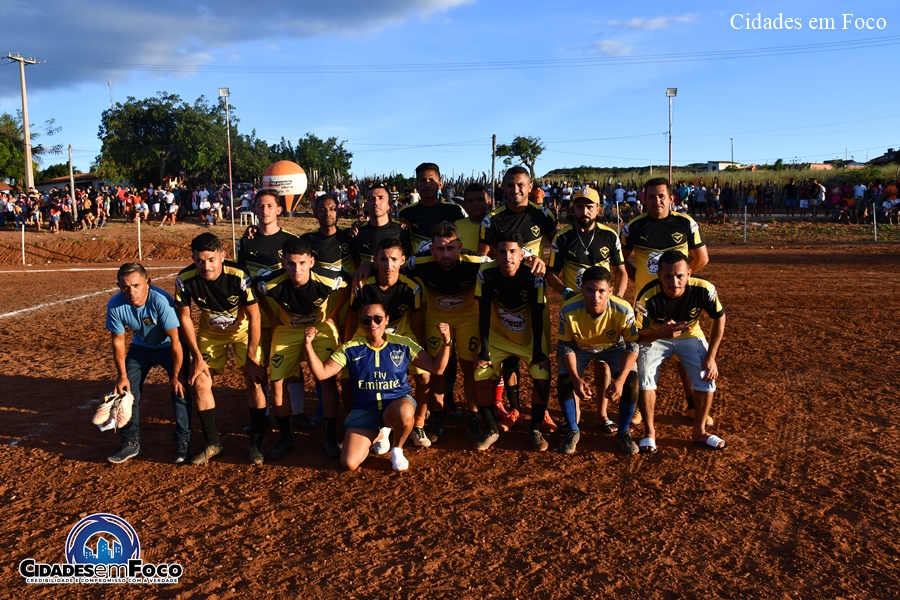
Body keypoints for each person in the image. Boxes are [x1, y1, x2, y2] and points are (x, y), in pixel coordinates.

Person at [304, 303, 452, 472]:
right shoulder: (351, 348)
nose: (372, 324)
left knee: (405, 411)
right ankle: (379, 433)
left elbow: (437, 368)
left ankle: (397, 449)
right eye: (366, 320)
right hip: (365, 410)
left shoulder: (403, 344)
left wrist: (447, 342)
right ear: (361, 323)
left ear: (386, 320)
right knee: (349, 463)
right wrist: (308, 345)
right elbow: (322, 373)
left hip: (394, 405)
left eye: (378, 318)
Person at [621, 177, 710, 423]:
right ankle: (639, 408)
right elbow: (619, 261)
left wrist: (680, 282)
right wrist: (640, 279)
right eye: (651, 196)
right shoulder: (634, 227)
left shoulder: (686, 223)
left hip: (680, 300)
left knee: (685, 352)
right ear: (644, 199)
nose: (657, 200)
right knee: (642, 352)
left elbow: (701, 258)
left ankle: (693, 404)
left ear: (671, 198)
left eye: (661, 196)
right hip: (647, 304)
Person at [175, 233, 267, 465]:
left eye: (211, 260)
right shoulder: (184, 279)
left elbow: (255, 316)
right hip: (210, 335)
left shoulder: (238, 275)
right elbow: (185, 319)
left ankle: (256, 443)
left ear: (222, 256)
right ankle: (213, 443)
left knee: (254, 380)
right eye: (200, 261)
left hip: (242, 332)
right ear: (193, 259)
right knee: (200, 382)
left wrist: (251, 356)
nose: (206, 267)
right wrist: (197, 357)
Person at [257, 237, 348, 459]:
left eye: (302, 263)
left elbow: (349, 284)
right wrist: (272, 317)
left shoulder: (328, 279)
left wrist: (333, 314)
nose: (296, 269)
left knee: (327, 379)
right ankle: (286, 437)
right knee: (277, 383)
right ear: (283, 263)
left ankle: (330, 435)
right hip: (287, 330)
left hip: (320, 327)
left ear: (311, 262)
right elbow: (256, 290)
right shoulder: (270, 283)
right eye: (290, 263)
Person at [634, 250, 727, 453]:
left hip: (690, 334)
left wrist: (711, 357)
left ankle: (699, 432)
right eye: (668, 276)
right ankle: (649, 433)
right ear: (659, 275)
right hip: (655, 336)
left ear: (689, 273)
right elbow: (637, 335)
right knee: (644, 377)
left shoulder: (704, 289)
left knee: (706, 376)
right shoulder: (646, 297)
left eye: (679, 276)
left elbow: (719, 318)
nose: (674, 282)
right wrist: (661, 332)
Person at [405, 221, 485, 443]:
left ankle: (473, 417)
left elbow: (508, 263)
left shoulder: (478, 262)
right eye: (440, 249)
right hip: (436, 318)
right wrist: (366, 268)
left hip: (468, 317)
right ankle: (437, 417)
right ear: (432, 249)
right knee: (437, 370)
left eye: (450, 248)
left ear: (460, 247)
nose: (446, 254)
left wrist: (532, 260)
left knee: (469, 368)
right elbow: (389, 269)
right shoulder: (418, 262)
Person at [104, 263, 191, 463]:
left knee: (180, 389)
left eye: (136, 285)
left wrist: (177, 374)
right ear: (118, 286)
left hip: (169, 346)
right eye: (125, 287)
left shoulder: (161, 301)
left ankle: (184, 441)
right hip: (141, 347)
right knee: (126, 392)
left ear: (148, 282)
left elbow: (176, 340)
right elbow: (118, 341)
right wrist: (122, 376)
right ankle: (130, 442)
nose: (131, 292)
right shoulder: (115, 305)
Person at [472, 233, 551, 452]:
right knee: (480, 374)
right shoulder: (486, 273)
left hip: (529, 337)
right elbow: (483, 313)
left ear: (522, 254)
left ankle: (535, 429)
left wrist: (538, 352)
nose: (508, 257)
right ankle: (491, 429)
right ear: (495, 254)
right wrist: (484, 351)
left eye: (513, 252)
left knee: (542, 375)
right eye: (502, 252)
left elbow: (537, 313)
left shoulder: (533, 274)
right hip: (498, 336)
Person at [557, 266, 640, 454]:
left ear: (610, 291)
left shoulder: (623, 309)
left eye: (601, 291)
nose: (596, 296)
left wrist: (620, 381)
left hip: (613, 347)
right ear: (582, 289)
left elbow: (632, 345)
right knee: (565, 380)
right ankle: (572, 430)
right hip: (579, 347)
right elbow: (565, 346)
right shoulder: (569, 309)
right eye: (590, 290)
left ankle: (624, 432)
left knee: (631, 381)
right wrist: (576, 379)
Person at [547, 188, 627, 302]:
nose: (585, 212)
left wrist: (618, 297)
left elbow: (620, 271)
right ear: (573, 210)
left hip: (602, 304)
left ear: (598, 209)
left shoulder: (610, 235)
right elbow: (551, 275)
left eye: (590, 207)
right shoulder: (562, 237)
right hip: (574, 306)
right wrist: (567, 293)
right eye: (580, 207)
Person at [398, 162, 466, 252]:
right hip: (417, 260)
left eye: (431, 180)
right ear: (416, 185)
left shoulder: (455, 210)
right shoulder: (405, 212)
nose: (427, 184)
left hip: (447, 260)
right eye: (423, 180)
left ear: (440, 184)